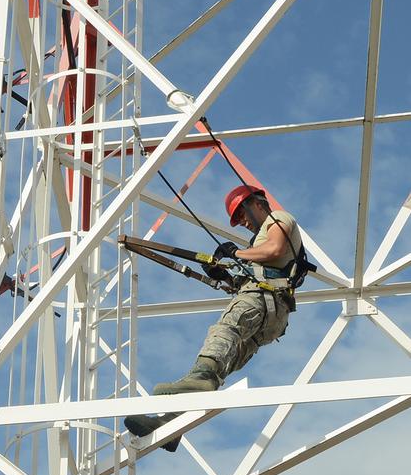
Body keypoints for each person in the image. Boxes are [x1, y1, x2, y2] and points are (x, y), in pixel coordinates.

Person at [125, 185, 306, 452]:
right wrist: (224, 274)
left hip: (263, 299)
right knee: (222, 362)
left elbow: (275, 250)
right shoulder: (257, 241)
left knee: (223, 332)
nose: (242, 223)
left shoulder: (278, 219)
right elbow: (260, 267)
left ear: (256, 203)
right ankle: (171, 425)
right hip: (271, 314)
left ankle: (201, 379)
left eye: (241, 215)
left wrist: (235, 254)